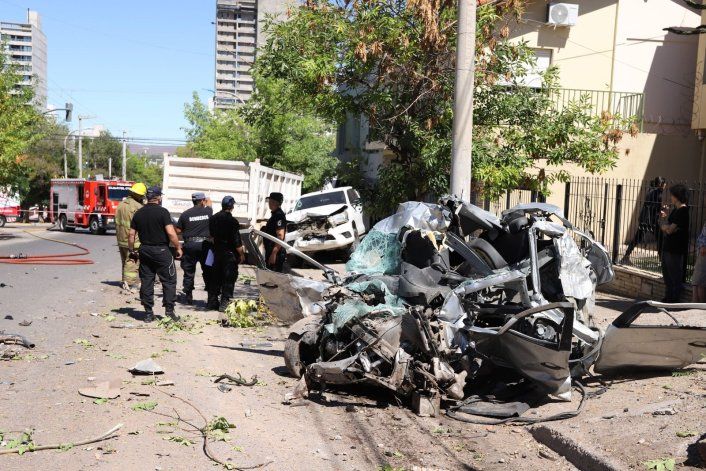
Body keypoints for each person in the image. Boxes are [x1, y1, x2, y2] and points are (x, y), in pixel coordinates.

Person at [128, 186, 183, 322]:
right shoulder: (163, 212)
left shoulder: (138, 213)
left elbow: (131, 235)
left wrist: (132, 251)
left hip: (145, 250)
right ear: (158, 197)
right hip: (161, 251)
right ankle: (169, 312)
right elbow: (171, 232)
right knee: (169, 281)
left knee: (147, 281)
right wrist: (178, 247)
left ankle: (148, 313)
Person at [208, 195, 245, 312]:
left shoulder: (213, 219)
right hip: (229, 253)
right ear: (232, 206)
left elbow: (212, 236)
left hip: (217, 252)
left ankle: (212, 300)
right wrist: (242, 254)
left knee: (216, 276)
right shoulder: (233, 222)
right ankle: (224, 302)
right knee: (229, 277)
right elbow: (237, 241)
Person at [175, 192, 213, 305]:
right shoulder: (208, 211)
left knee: (189, 272)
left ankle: (188, 296)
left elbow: (178, 231)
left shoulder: (185, 214)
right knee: (208, 271)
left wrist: (188, 230)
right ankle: (211, 297)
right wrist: (208, 200)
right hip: (205, 246)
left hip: (190, 246)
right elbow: (210, 204)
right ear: (202, 201)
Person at [621, 177, 666, 265]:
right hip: (651, 221)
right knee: (660, 238)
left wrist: (660, 209)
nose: (665, 186)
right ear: (661, 184)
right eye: (664, 184)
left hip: (644, 220)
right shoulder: (658, 193)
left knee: (637, 238)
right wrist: (660, 212)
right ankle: (661, 260)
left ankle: (625, 256)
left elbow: (650, 205)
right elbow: (654, 207)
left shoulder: (651, 190)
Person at [659, 184, 690, 303]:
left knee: (674, 275)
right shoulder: (675, 210)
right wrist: (667, 224)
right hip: (668, 246)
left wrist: (668, 228)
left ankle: (674, 299)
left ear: (677, 196)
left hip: (675, 248)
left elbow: (670, 229)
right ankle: (668, 297)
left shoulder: (683, 211)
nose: (671, 197)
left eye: (672, 195)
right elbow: (665, 227)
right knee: (666, 274)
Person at [115, 182, 145, 293]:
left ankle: (125, 280)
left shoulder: (121, 205)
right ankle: (131, 284)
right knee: (132, 261)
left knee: (125, 261)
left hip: (121, 239)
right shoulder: (138, 207)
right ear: (138, 195)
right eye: (142, 195)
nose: (143, 197)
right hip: (133, 240)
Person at [263, 192, 287, 272]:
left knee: (273, 280)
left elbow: (280, 236)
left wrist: (274, 254)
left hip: (276, 253)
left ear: (274, 202)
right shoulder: (275, 214)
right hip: (272, 251)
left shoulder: (278, 216)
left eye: (269, 201)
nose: (268, 203)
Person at [692, 222, 706, 302]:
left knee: (700, 285)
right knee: (695, 284)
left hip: (703, 255)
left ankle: (701, 311)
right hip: (701, 256)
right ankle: (693, 310)